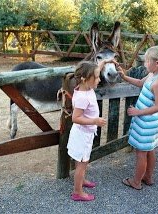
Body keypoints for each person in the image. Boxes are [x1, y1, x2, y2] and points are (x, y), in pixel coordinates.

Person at [117, 45, 158, 190]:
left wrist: (137, 112)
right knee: (149, 150)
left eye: (147, 61)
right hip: (145, 121)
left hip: (147, 122)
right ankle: (148, 177)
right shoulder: (152, 75)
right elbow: (140, 83)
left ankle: (136, 182)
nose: (144, 64)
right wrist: (124, 76)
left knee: (141, 153)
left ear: (156, 63)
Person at [67, 60, 106, 201]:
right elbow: (75, 118)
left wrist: (104, 62)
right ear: (85, 79)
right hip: (83, 135)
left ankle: (81, 181)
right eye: (96, 77)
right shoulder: (83, 97)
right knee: (82, 165)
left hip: (83, 134)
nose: (99, 79)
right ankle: (78, 192)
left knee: (81, 161)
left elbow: (94, 69)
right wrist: (95, 121)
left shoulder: (85, 88)